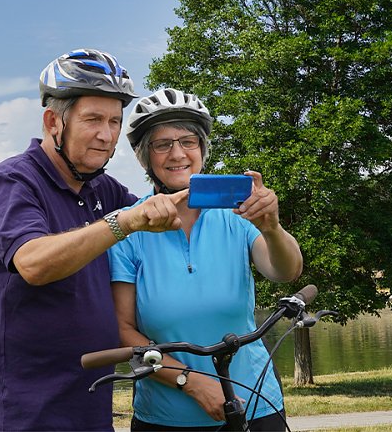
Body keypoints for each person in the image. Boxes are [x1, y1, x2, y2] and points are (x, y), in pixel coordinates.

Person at [0, 49, 188, 432]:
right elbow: (33, 263)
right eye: (93, 120)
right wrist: (125, 221)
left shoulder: (102, 189)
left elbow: (164, 218)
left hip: (89, 407)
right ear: (53, 122)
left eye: (115, 121)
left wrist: (230, 201)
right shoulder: (14, 182)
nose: (106, 135)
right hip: (24, 414)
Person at [109, 88, 303, 431]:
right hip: (165, 416)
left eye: (188, 141)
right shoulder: (128, 225)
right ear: (144, 157)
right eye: (162, 144)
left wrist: (271, 228)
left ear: (202, 149)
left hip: (255, 404)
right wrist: (194, 383)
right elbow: (124, 331)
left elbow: (285, 271)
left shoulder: (237, 212)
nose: (177, 153)